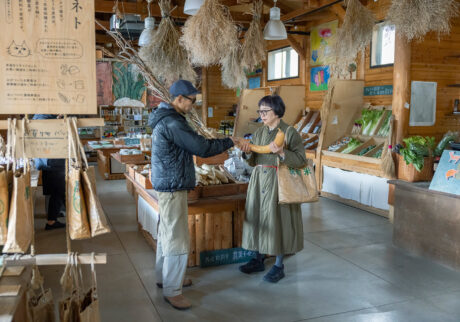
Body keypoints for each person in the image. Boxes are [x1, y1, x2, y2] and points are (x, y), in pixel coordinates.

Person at [148, 80, 239, 310]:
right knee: (177, 237)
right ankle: (173, 290)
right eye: (192, 101)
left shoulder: (168, 118)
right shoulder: (172, 122)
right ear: (179, 99)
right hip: (172, 186)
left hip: (168, 184)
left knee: (166, 232)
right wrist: (231, 141)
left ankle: (165, 279)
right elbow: (202, 148)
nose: (194, 105)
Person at [238, 95, 307, 283]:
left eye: (265, 111)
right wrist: (246, 153)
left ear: (277, 111)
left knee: (279, 221)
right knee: (258, 218)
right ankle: (258, 258)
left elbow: (301, 161)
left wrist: (282, 152)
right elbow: (253, 161)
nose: (261, 114)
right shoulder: (259, 133)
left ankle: (278, 265)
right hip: (259, 180)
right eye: (260, 111)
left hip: (280, 182)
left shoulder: (290, 132)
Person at [32, 114, 66, 230]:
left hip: (46, 160)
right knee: (58, 190)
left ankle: (54, 215)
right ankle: (51, 221)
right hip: (52, 160)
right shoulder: (44, 118)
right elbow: (52, 136)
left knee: (54, 191)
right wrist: (59, 122)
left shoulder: (39, 116)